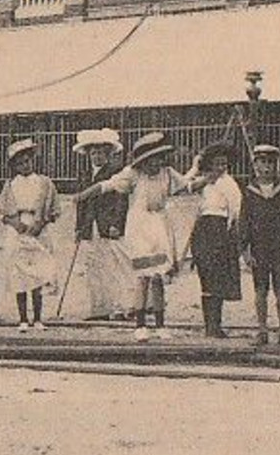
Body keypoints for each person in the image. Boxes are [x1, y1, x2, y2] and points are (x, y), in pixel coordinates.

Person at [71, 132, 203, 342]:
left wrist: (205, 177)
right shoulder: (132, 174)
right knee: (143, 275)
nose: (155, 164)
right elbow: (107, 185)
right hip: (140, 228)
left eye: (159, 159)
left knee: (159, 276)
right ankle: (140, 324)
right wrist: (83, 195)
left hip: (159, 227)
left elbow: (186, 185)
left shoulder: (167, 173)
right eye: (151, 160)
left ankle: (159, 324)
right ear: (144, 160)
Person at [72, 129, 136, 322]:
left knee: (115, 266)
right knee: (94, 266)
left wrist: (117, 223)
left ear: (108, 154)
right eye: (93, 153)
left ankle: (122, 307)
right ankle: (99, 308)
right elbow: (81, 202)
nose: (97, 156)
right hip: (90, 227)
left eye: (101, 153)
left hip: (108, 225)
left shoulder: (115, 174)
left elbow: (121, 200)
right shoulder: (84, 174)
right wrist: (79, 227)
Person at [240, 144, 280, 346]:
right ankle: (262, 329)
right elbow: (244, 222)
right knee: (260, 290)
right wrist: (245, 251)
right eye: (262, 162)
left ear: (277, 165)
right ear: (255, 164)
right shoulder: (249, 191)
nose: (267, 167)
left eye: (271, 162)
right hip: (259, 249)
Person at [0, 139, 60, 332]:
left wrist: (40, 223)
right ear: (14, 166)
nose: (25, 165)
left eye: (27, 161)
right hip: (17, 229)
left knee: (38, 274)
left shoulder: (44, 183)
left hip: (37, 228)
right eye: (20, 162)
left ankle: (38, 318)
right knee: (19, 275)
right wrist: (15, 223)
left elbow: (54, 210)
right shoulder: (10, 185)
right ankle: (23, 318)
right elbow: (2, 213)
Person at [189, 142, 243, 339]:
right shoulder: (203, 181)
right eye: (217, 163)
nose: (220, 168)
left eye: (224, 164)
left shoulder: (229, 183)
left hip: (220, 229)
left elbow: (236, 209)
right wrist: (196, 167)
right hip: (202, 229)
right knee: (206, 276)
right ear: (209, 164)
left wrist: (231, 233)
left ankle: (215, 325)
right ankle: (208, 325)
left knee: (217, 278)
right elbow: (183, 185)